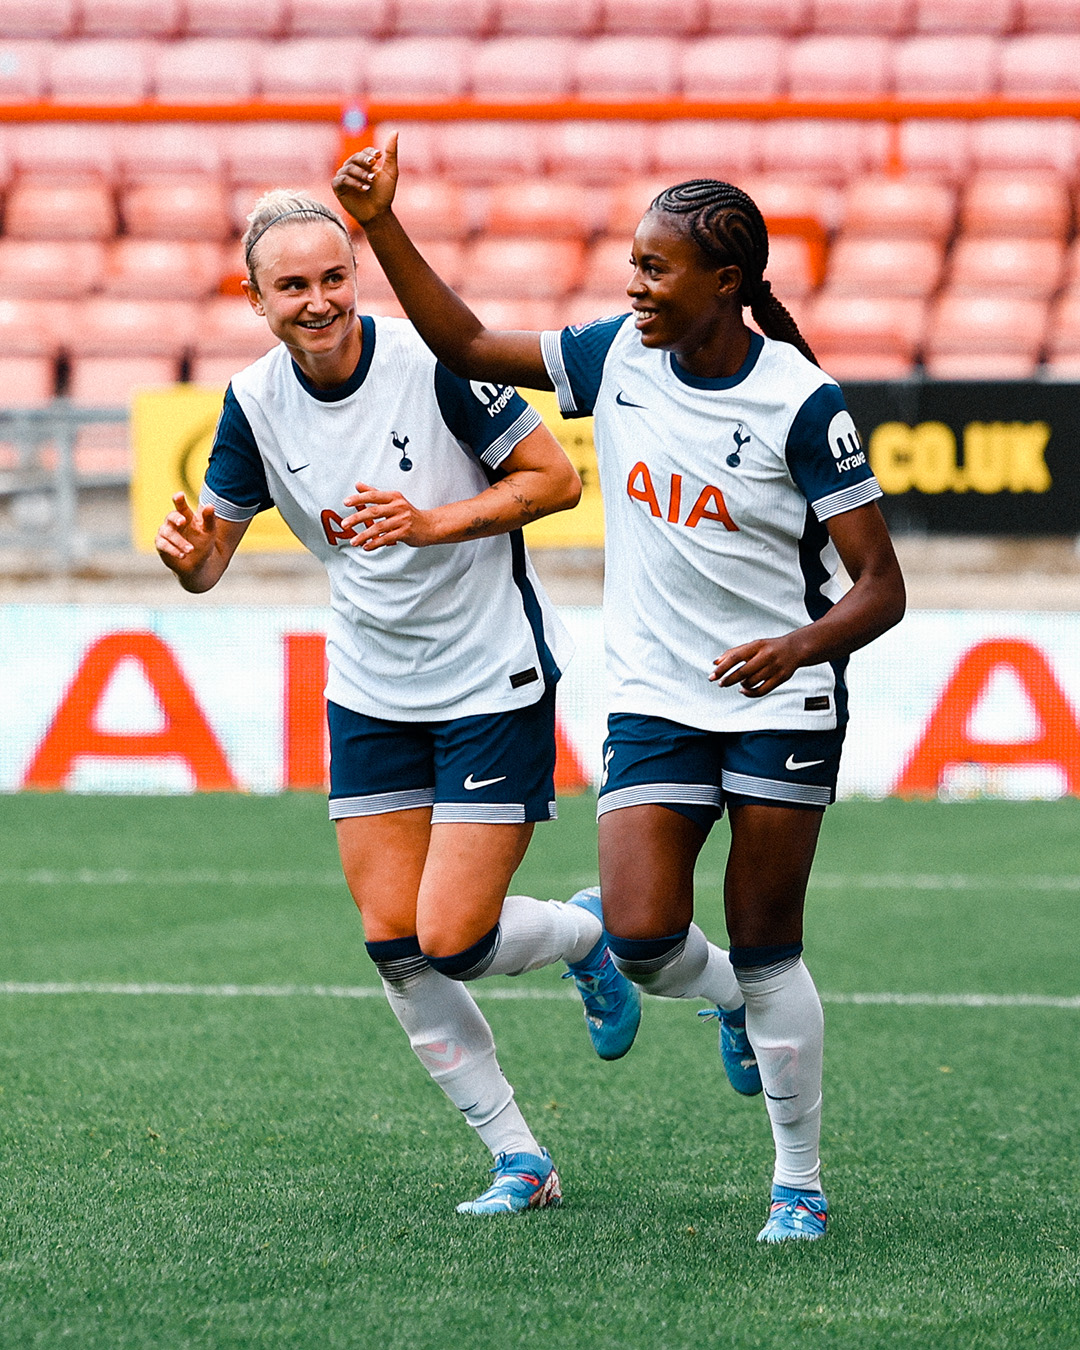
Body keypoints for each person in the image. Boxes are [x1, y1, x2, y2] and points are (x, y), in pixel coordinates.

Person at [332, 143, 906, 1242]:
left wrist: (799, 646)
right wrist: (382, 224)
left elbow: (881, 589)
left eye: (656, 269)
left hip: (782, 700)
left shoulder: (800, 402)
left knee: (769, 935)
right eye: (632, 265)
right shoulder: (615, 360)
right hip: (654, 698)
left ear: (724, 283)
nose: (633, 286)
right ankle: (725, 998)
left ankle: (798, 1181)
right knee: (644, 937)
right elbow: (461, 343)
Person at [155, 190, 642, 1217]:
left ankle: (587, 941)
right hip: (370, 689)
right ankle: (520, 1159)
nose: (319, 300)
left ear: (355, 277)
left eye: (334, 277)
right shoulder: (251, 402)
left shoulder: (433, 364)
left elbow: (555, 480)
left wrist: (433, 523)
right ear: (255, 299)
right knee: (394, 941)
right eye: (293, 285)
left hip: (489, 676)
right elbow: (214, 559)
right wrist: (197, 565)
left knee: (453, 935)